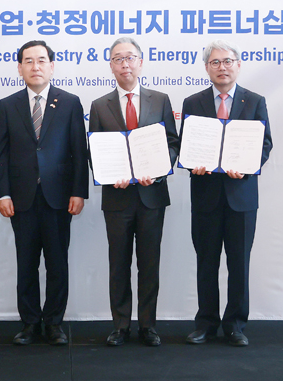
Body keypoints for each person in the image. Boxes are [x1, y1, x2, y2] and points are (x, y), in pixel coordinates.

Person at [0, 40, 89, 346]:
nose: (36, 66)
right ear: (19, 67)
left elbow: (78, 150)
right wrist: (2, 193)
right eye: (29, 61)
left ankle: (54, 323)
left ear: (51, 66)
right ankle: (30, 322)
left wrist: (79, 191)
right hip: (20, 198)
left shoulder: (70, 102)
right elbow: (1, 155)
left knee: (57, 262)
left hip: (59, 197)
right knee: (26, 263)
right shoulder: (8, 105)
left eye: (41, 61)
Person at [88, 37, 178, 347]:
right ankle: (121, 325)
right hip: (117, 197)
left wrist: (159, 168)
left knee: (149, 262)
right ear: (111, 66)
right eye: (118, 59)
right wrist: (110, 175)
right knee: (119, 263)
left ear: (140, 62)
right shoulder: (99, 105)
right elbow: (94, 151)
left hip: (152, 195)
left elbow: (172, 143)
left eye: (130, 58)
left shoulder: (161, 99)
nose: (125, 63)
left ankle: (148, 325)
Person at [182, 39, 273, 347]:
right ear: (207, 68)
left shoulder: (255, 100)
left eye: (227, 61)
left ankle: (235, 325)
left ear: (238, 65)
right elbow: (185, 146)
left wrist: (246, 167)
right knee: (206, 262)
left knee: (239, 263)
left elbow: (265, 144)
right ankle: (206, 323)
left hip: (242, 197)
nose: (222, 67)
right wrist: (193, 164)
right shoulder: (193, 102)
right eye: (215, 62)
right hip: (206, 195)